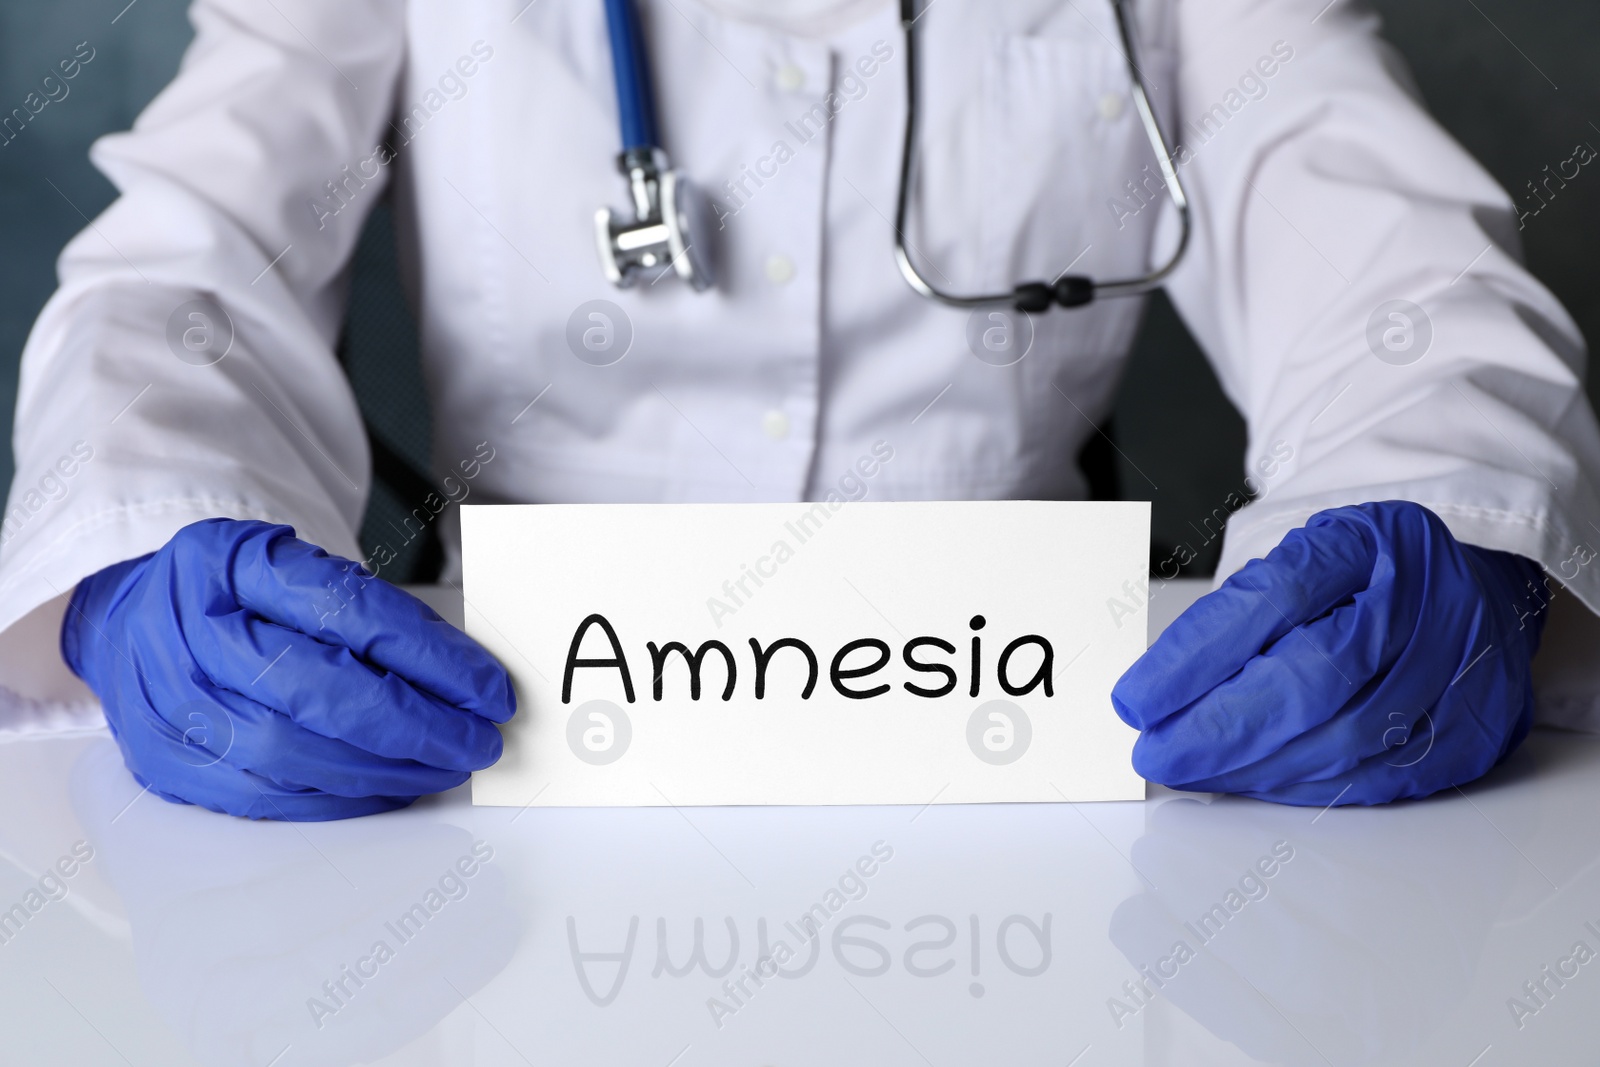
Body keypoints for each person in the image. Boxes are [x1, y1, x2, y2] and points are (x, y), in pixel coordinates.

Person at [3, 0, 1599, 819]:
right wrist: (152, 553)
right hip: (506, 749)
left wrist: (1454, 523)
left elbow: (1398, 284)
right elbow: (188, 274)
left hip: (1032, 760)